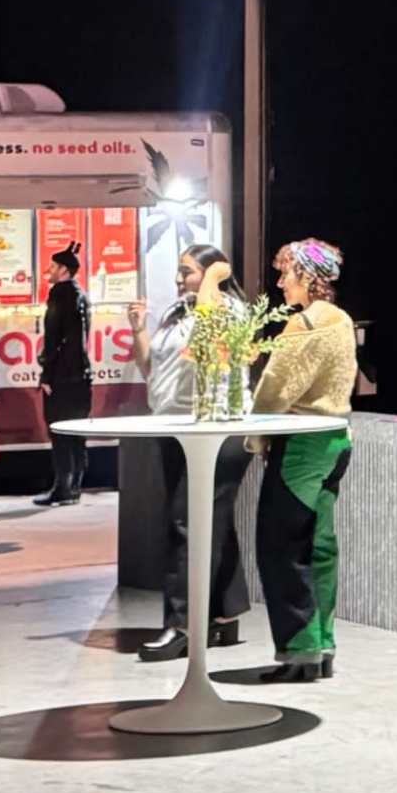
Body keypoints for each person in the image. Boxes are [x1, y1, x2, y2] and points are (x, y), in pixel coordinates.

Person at [239, 236, 357, 683]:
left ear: (307, 276)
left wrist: (256, 438)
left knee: (284, 547)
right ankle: (323, 644)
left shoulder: (302, 326)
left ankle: (301, 651)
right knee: (321, 546)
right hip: (336, 440)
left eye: (286, 273)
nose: (280, 281)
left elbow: (274, 391)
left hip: (301, 446)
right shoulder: (341, 321)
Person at [139, 240, 249, 659]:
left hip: (215, 431)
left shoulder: (226, 310)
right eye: (179, 271)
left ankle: (182, 624)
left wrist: (215, 284)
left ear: (214, 273)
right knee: (211, 522)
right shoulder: (175, 311)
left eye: (188, 271)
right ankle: (225, 613)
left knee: (187, 524)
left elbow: (208, 349)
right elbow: (156, 365)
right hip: (173, 426)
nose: (179, 278)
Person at [38, 244, 95, 505]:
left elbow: (53, 339)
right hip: (81, 374)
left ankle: (62, 487)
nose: (47, 271)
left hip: (62, 376)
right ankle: (75, 487)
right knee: (77, 433)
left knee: (59, 431)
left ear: (63, 269)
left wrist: (47, 374)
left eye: (51, 267)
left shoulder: (58, 294)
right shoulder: (81, 295)